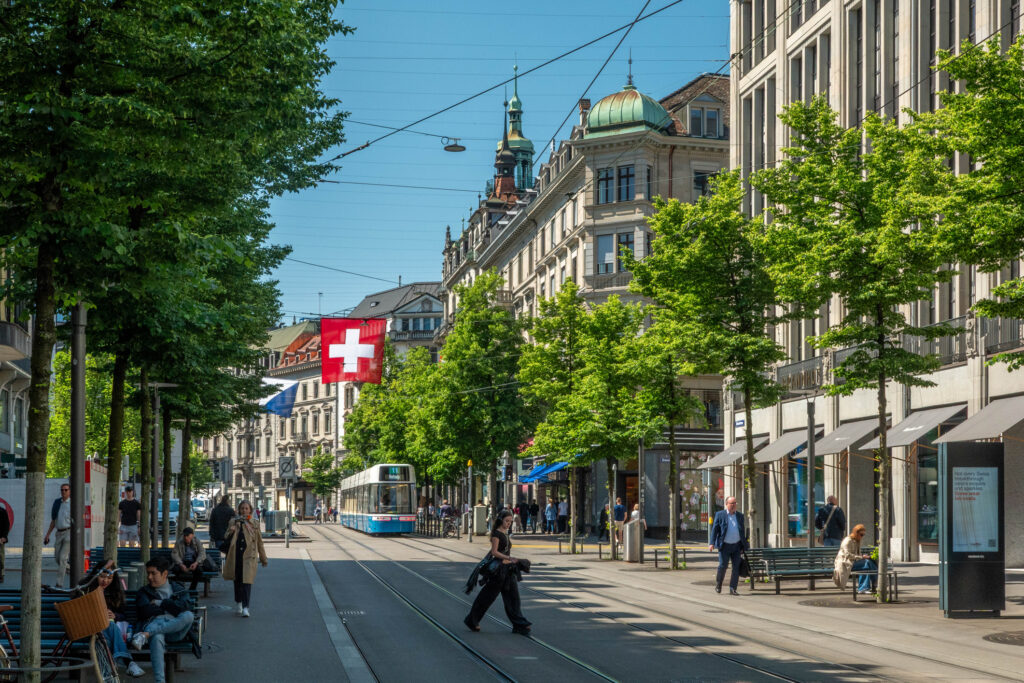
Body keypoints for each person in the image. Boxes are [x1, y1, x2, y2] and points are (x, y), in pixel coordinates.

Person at [131, 556, 199, 683]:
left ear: (165, 574)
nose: (149, 577)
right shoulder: (144, 592)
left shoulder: (178, 588)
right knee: (157, 637)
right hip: (156, 626)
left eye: (153, 573)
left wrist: (160, 603)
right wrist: (170, 608)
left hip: (175, 631)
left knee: (188, 615)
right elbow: (144, 611)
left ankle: (146, 635)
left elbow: (184, 608)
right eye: (148, 573)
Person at [464, 510, 532, 635]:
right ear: (501, 520)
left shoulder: (505, 533)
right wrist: (509, 558)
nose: (509, 524)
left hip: (508, 570)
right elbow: (494, 552)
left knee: (513, 598)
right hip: (498, 572)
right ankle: (471, 620)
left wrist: (511, 560)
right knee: (487, 597)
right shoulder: (496, 534)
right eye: (507, 521)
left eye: (510, 522)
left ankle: (519, 624)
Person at [82, 561, 145, 678]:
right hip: (88, 629)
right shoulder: (85, 588)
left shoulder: (115, 592)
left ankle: (109, 673)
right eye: (102, 577)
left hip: (106, 632)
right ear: (96, 575)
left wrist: (115, 615)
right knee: (110, 627)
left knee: (108, 634)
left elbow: (123, 615)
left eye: (110, 578)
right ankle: (128, 662)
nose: (105, 581)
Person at [221, 500, 268, 617]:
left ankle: (246, 607)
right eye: (242, 508)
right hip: (235, 556)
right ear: (239, 509)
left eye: (246, 508)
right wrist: (231, 531)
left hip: (249, 557)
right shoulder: (234, 521)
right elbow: (225, 537)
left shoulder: (255, 523)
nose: (244, 510)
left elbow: (260, 543)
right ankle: (239, 603)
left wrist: (263, 558)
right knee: (237, 581)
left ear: (250, 510)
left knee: (247, 582)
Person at [709, 496, 748, 595]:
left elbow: (742, 531)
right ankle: (719, 584)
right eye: (732, 503)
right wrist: (712, 543)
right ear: (726, 504)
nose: (734, 505)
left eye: (735, 503)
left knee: (736, 567)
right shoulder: (720, 515)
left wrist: (745, 545)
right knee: (723, 566)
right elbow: (715, 530)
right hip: (724, 546)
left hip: (736, 546)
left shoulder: (739, 516)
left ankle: (732, 588)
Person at [834, 523, 876, 594]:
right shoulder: (847, 541)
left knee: (867, 564)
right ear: (856, 533)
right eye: (861, 535)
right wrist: (861, 557)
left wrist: (863, 556)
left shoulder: (857, 541)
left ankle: (864, 588)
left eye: (863, 535)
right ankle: (875, 581)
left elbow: (857, 555)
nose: (862, 537)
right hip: (845, 563)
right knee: (866, 563)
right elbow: (847, 555)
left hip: (853, 562)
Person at [44, 483, 72, 587]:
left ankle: (59, 584)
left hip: (69, 532)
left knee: (63, 557)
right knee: (57, 558)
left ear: (69, 491)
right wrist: (47, 535)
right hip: (59, 532)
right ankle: (70, 568)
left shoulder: (73, 503)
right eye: (62, 490)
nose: (63, 492)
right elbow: (53, 520)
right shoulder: (57, 502)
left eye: (66, 490)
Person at [0, 501, 9, 583]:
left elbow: (7, 525)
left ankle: (1, 575)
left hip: (0, 539)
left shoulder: (2, 511)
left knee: (1, 558)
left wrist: (4, 536)